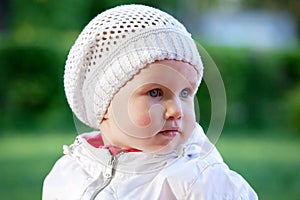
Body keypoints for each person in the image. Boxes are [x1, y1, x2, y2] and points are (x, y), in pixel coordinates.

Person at [42, 4, 258, 200]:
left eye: (185, 93)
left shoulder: (199, 182)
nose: (176, 110)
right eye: (155, 93)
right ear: (105, 104)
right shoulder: (68, 173)